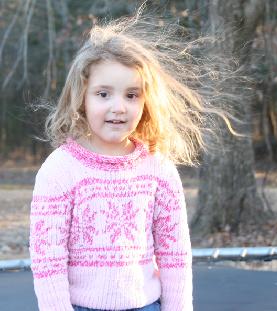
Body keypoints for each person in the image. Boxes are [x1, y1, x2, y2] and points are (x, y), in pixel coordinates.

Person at [29, 13, 241, 311]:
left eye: (131, 95)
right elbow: (47, 259)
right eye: (103, 94)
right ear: (82, 97)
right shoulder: (60, 170)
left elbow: (175, 254)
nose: (119, 107)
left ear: (146, 102)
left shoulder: (159, 168)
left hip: (146, 305)